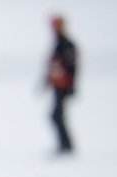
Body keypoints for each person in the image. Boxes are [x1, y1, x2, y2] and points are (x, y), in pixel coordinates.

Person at [46, 14, 78, 154]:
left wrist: (71, 85)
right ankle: (65, 145)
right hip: (58, 85)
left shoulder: (66, 44)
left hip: (64, 85)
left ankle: (67, 146)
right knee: (57, 115)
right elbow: (53, 66)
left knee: (56, 115)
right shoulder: (59, 43)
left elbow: (72, 67)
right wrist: (47, 81)